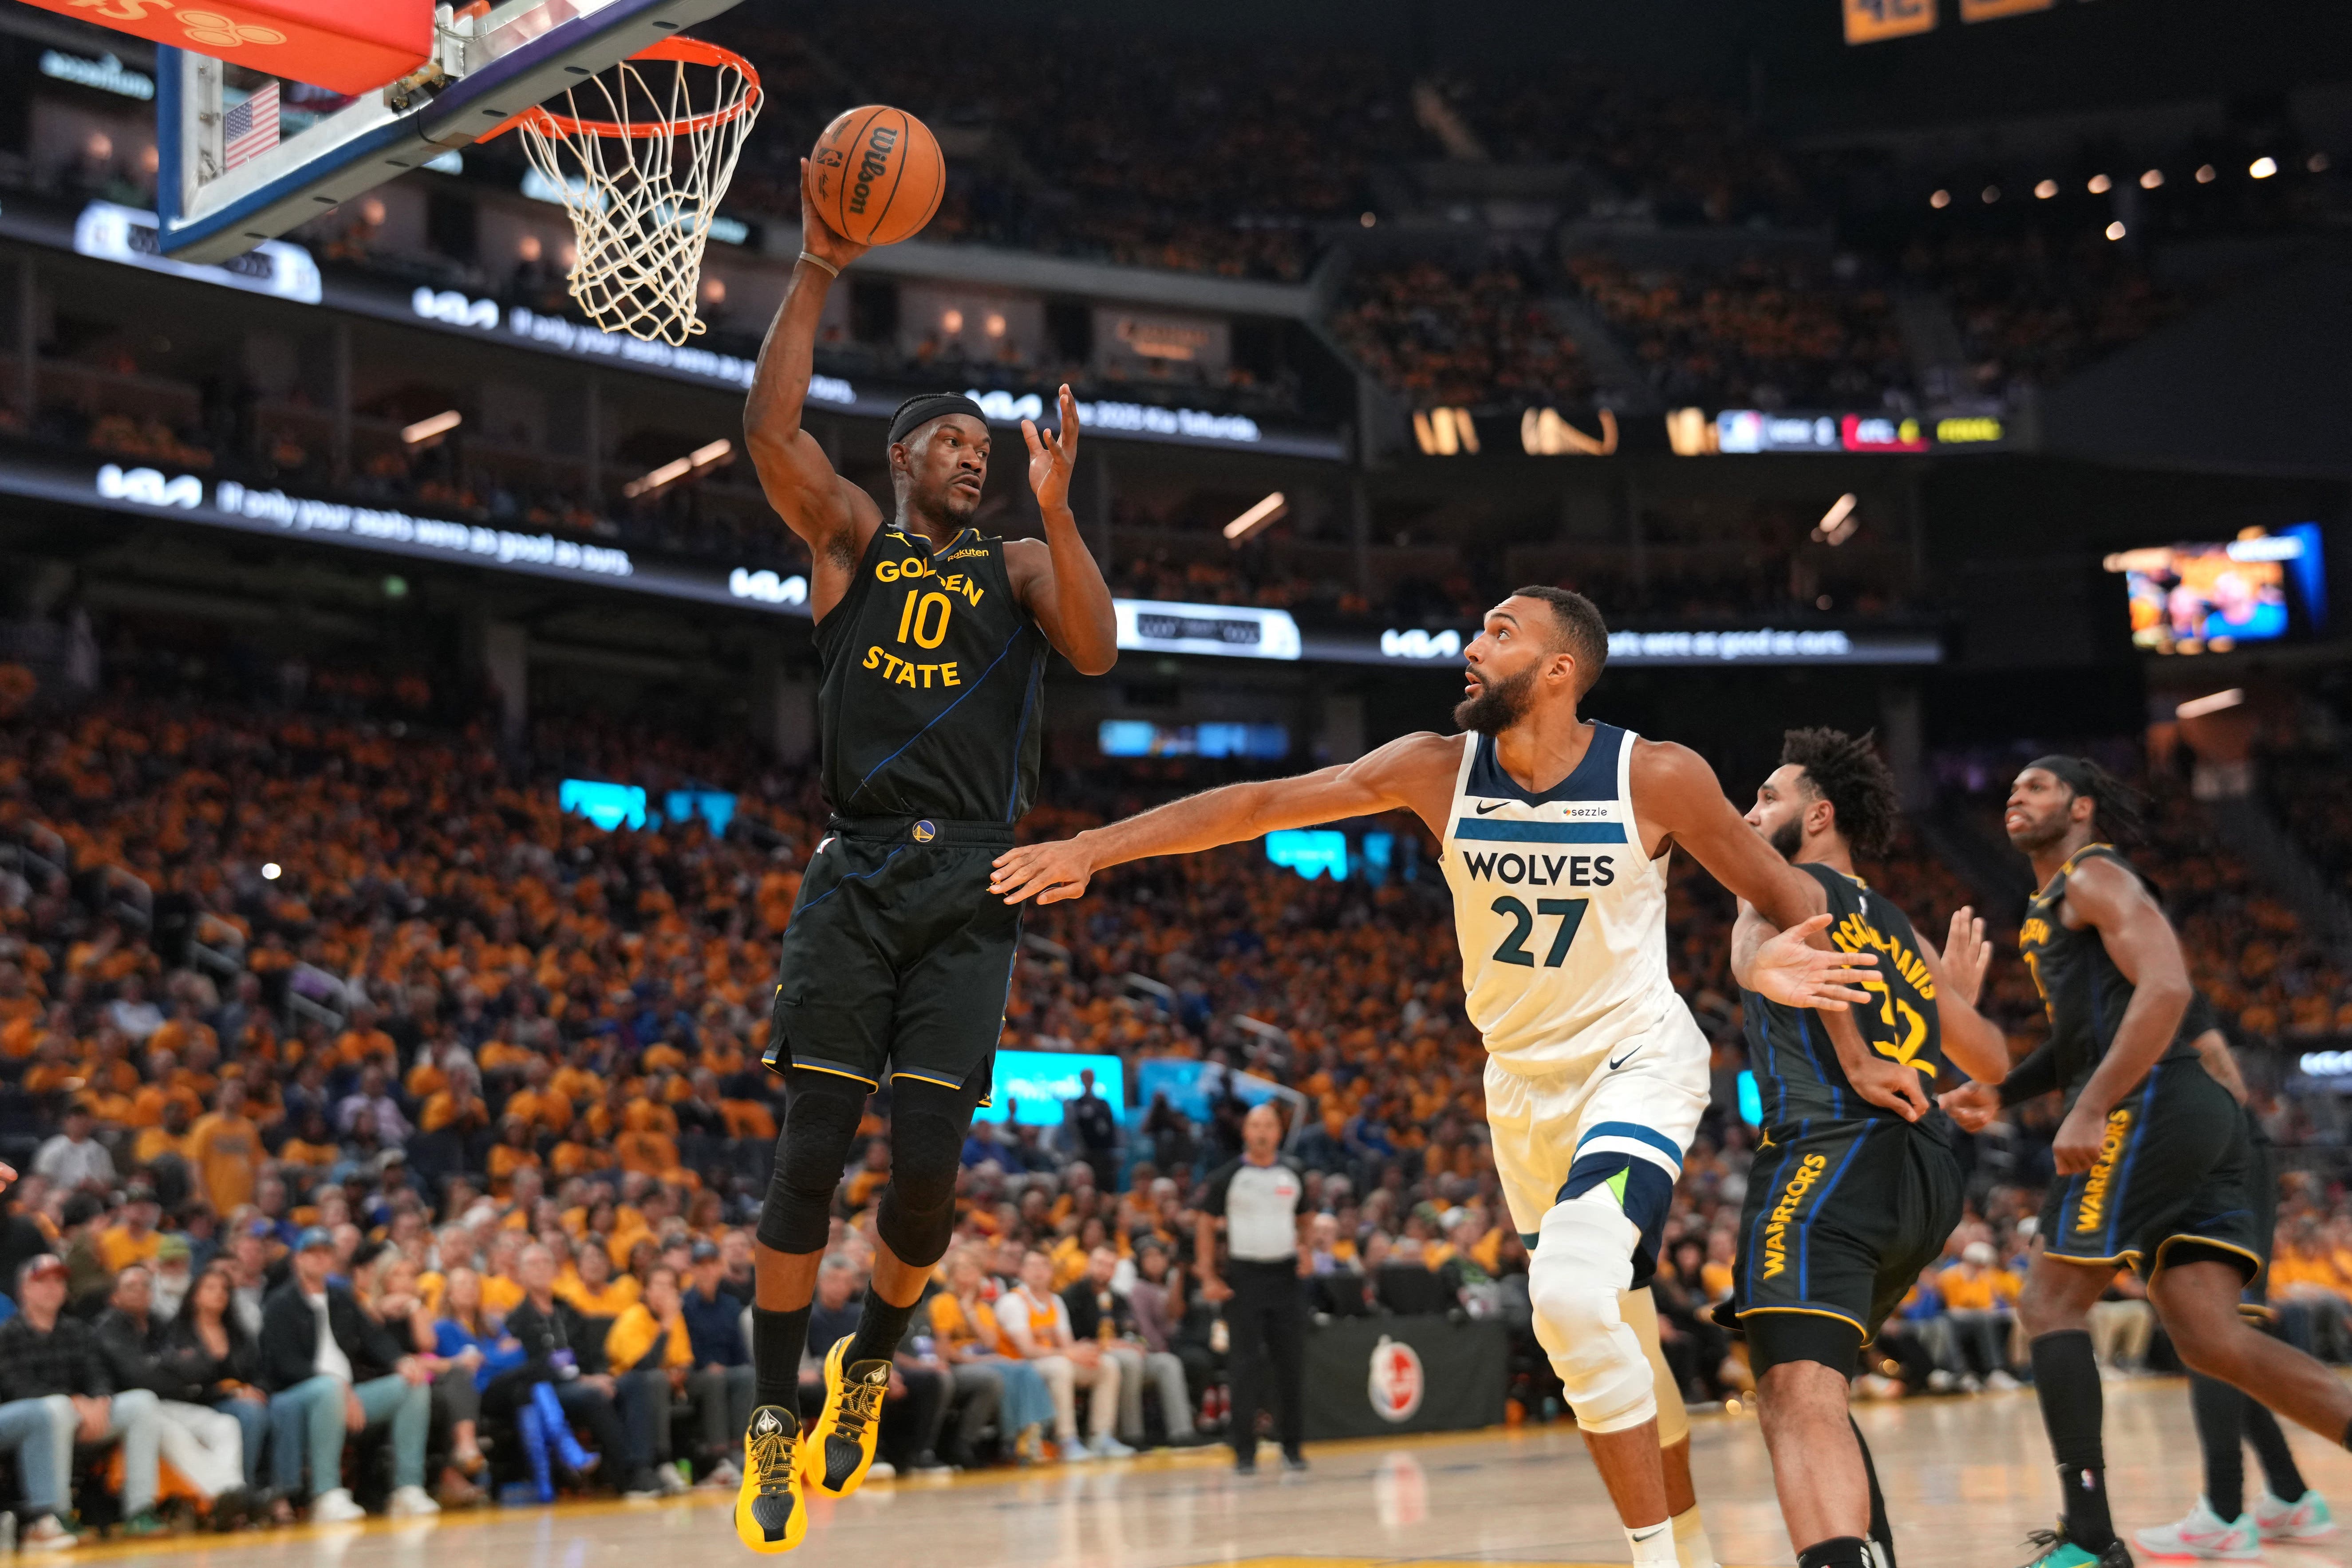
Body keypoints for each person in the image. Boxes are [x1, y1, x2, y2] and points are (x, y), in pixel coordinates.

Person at [992, 585, 1883, 1568]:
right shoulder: (1435, 767)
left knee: (1571, 1295)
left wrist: (1788, 993)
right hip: (1520, 1089)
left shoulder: (1654, 775)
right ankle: (1686, 1550)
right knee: (1602, 1331)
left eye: (1501, 632)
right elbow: (1256, 805)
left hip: (1631, 1060)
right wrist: (1093, 847)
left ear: (1560, 670)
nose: (1472, 645)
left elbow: (1784, 894)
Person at [733, 144, 1117, 1556]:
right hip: (856, 873)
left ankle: (870, 1360)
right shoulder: (849, 538)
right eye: (951, 439)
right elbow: (769, 431)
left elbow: (1094, 649)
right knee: (807, 1158)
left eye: (984, 446)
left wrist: (1058, 510)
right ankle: (772, 1412)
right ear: (900, 460)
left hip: (974, 877)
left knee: (924, 1181)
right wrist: (817, 265)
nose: (974, 453)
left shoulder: (1017, 565)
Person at [1940, 758, 2352, 1568]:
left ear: (2082, 807)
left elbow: (2167, 988)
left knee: (2049, 1301)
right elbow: (2080, 1038)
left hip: (2154, 1102)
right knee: (2212, 1339)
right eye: (2012, 787)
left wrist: (2093, 1105)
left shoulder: (2094, 876)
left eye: (2038, 785)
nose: (2017, 794)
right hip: (2184, 1113)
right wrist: (2005, 1091)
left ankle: (2089, 1540)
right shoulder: (2049, 906)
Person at [1720, 728, 2012, 1568]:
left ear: (1819, 815)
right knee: (1818, 1382)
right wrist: (1952, 1005)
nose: (1750, 813)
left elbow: (1773, 933)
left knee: (1796, 1389)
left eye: (1768, 797)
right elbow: (1994, 1058)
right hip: (1924, 1176)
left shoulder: (1788, 884)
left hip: (1830, 1155)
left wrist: (1844, 1046)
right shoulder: (1900, 930)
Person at [2135, 1007, 2336, 1558]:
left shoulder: (2151, 978)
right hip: (2212, 1156)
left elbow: (2227, 1077)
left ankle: (2223, 1512)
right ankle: (2289, 1493)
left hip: (2214, 1158)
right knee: (2217, 1338)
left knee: (2211, 1329)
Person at [257, 1226, 439, 1521]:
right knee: (328, 1389)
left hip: (348, 1392)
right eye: (312, 1253)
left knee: (414, 1384)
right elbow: (283, 1364)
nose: (320, 1259)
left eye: (325, 1253)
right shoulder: (280, 1304)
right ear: (298, 1259)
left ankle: (408, 1487)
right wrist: (335, 1384)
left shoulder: (341, 1298)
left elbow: (373, 1337)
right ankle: (326, 1493)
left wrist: (400, 1360)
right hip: (298, 1395)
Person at [0, 1253, 167, 1536]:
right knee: (56, 1407)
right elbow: (18, 1388)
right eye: (43, 1282)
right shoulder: (8, 1335)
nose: (52, 1288)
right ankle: (59, 1515)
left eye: (58, 1282)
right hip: (43, 1421)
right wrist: (74, 1401)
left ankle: (140, 1511)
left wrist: (101, 1400)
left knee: (143, 1403)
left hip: (85, 1418)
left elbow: (97, 1373)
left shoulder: (77, 1330)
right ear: (25, 1290)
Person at [1196, 1105, 1309, 1472]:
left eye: (1269, 1125)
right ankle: (1244, 1451)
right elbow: (1204, 1223)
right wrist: (1208, 1276)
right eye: (1256, 1125)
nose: (1262, 1132)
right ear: (1245, 1132)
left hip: (1285, 1276)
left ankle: (1292, 1447)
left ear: (1279, 1132)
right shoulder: (1229, 1176)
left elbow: (1306, 1215)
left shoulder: (1293, 1172)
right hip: (1244, 1277)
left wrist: (1306, 1249)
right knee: (1243, 1365)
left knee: (1290, 1363)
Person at [95, 1264, 252, 1519]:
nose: (140, 1291)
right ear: (115, 1297)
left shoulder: (160, 1324)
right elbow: (138, 1377)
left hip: (167, 1403)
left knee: (225, 1426)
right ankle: (230, 1494)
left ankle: (227, 1504)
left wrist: (167, 1368)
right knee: (176, 1434)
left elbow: (199, 1366)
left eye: (146, 1285)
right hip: (128, 1410)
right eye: (131, 1287)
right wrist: (173, 1369)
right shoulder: (108, 1329)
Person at [158, 1262, 275, 1511]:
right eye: (211, 1288)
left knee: (267, 1408)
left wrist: (257, 1389)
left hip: (235, 1401)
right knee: (249, 1415)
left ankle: (245, 1495)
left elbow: (261, 1370)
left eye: (224, 1289)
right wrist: (231, 1391)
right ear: (195, 1295)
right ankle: (244, 1492)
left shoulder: (238, 1333)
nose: (219, 1294)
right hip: (197, 1403)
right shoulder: (177, 1333)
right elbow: (182, 1381)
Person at [1062, 1243, 1198, 1450]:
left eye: (1110, 1266)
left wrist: (1138, 1344)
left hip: (1124, 1353)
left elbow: (1132, 1330)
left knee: (1167, 1363)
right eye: (1100, 1264)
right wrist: (1111, 1345)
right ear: (1089, 1264)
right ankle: (1132, 1435)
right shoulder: (1072, 1296)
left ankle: (1182, 1433)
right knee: (1130, 1360)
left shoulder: (1119, 1298)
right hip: (1094, 1356)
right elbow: (1072, 1342)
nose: (1104, 1270)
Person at [997, 1248, 1127, 1461]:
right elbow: (1028, 1350)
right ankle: (1067, 1440)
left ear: (1052, 1272)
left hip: (1050, 1361)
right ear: (1022, 1271)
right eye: (1033, 1266)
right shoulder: (1013, 1302)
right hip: (1020, 1368)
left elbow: (1067, 1345)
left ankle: (1101, 1436)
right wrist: (1069, 1354)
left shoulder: (1056, 1301)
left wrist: (1082, 1354)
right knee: (1062, 1367)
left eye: (1044, 1266)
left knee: (1107, 1365)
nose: (1039, 1271)